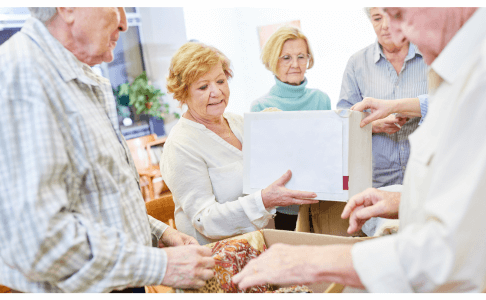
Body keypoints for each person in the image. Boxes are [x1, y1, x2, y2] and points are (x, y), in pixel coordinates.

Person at [233, 7, 486, 292]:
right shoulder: (458, 65)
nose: (397, 34)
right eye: (381, 18)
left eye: (400, 15)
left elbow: (449, 254)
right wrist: (402, 200)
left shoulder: (475, 74)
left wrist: (313, 260)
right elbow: (461, 196)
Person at [0, 7, 215, 292]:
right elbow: (38, 241)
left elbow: (100, 203)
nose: (123, 21)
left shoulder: (84, 79)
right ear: (68, 7)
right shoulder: (18, 80)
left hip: (123, 278)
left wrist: (160, 232)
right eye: (115, 4)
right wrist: (160, 265)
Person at [161, 42, 318, 245]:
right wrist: (264, 201)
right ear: (183, 92)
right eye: (203, 86)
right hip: (220, 258)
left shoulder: (240, 123)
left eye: (220, 81)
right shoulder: (180, 145)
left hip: (264, 244)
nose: (216, 92)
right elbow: (205, 220)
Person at [250, 26, 331, 231]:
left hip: (321, 201)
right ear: (272, 60)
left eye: (301, 56)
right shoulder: (260, 107)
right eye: (286, 57)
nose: (295, 64)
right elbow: (263, 166)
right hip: (283, 208)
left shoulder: (321, 99)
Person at [337, 7, 428, 189]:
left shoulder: (429, 54)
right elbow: (343, 122)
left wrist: (405, 108)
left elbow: (445, 106)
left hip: (427, 177)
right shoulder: (356, 64)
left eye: (391, 16)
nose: (385, 26)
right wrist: (373, 125)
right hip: (377, 183)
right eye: (378, 18)